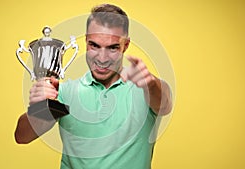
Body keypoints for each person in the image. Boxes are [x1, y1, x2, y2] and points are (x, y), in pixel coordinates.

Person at [15, 3, 172, 169]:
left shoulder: (147, 90)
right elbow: (22, 136)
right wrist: (41, 105)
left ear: (125, 45)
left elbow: (165, 105)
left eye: (112, 47)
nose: (102, 58)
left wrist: (150, 83)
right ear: (86, 41)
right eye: (94, 45)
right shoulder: (65, 92)